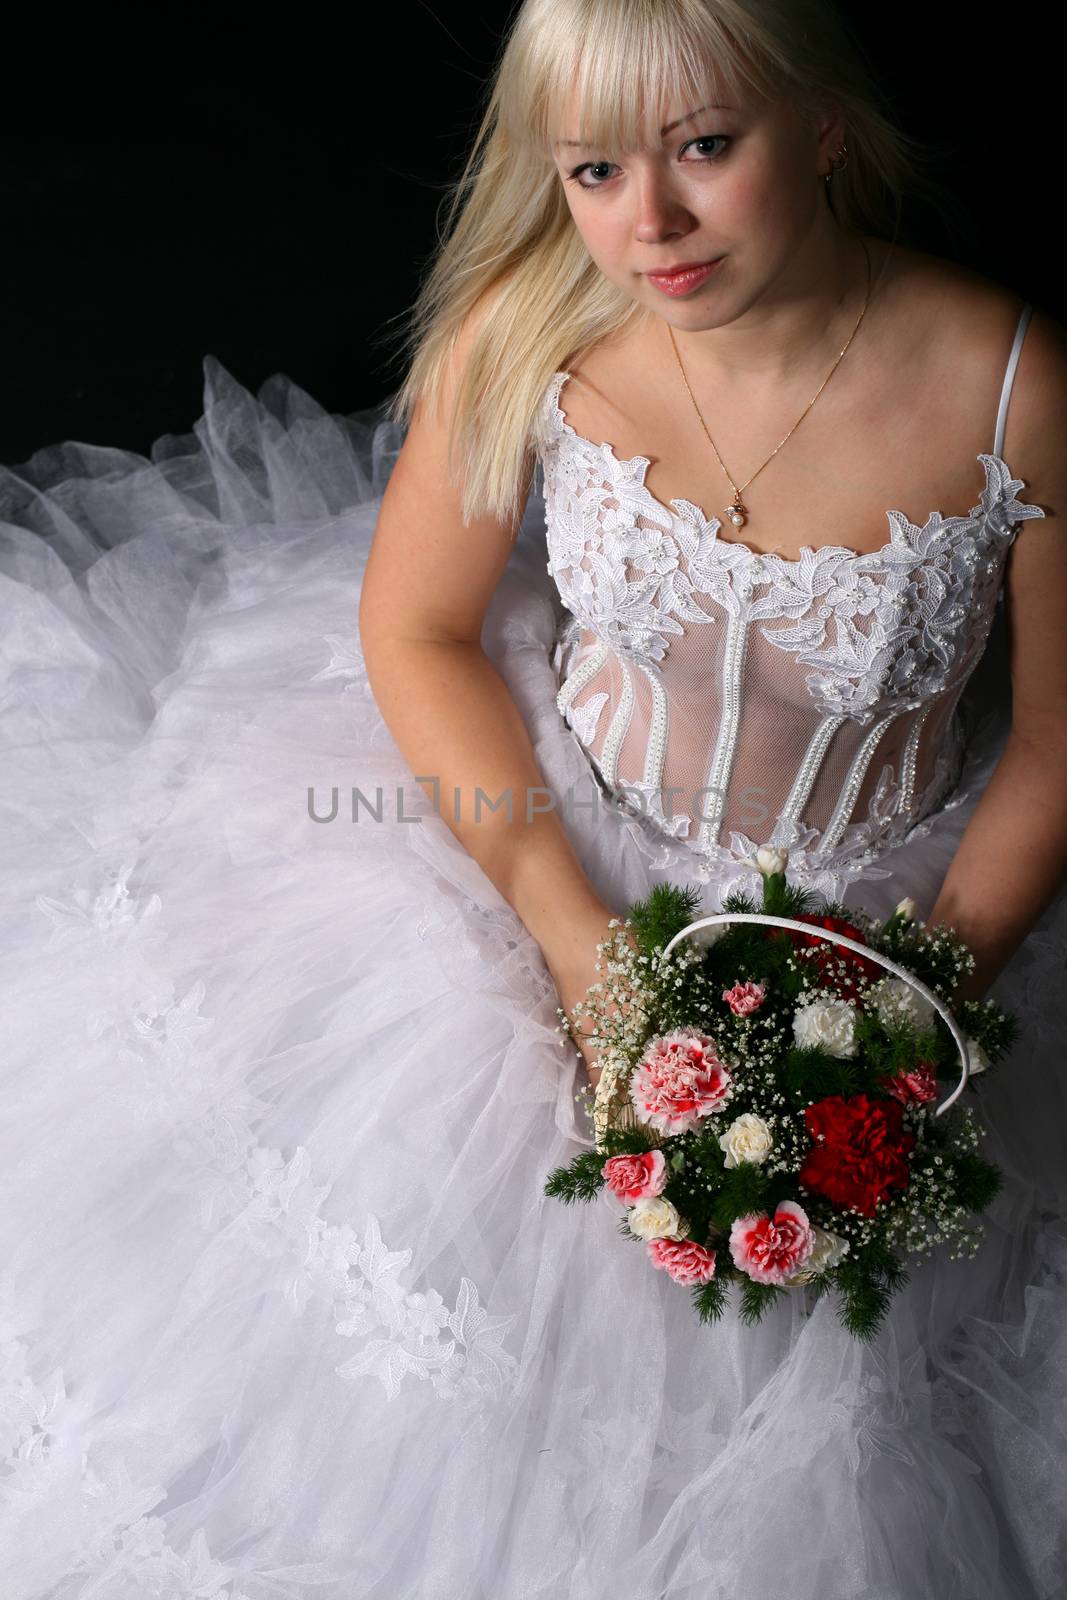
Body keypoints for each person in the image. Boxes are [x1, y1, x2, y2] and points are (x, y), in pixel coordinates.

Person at [1, 1, 1065, 1595]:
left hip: (899, 902)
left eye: (706, 148)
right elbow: (416, 626)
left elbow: (1056, 742)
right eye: (593, 171)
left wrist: (917, 1007)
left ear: (825, 128)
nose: (653, 224)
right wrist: (575, 941)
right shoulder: (533, 331)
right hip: (540, 837)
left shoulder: (1010, 387)